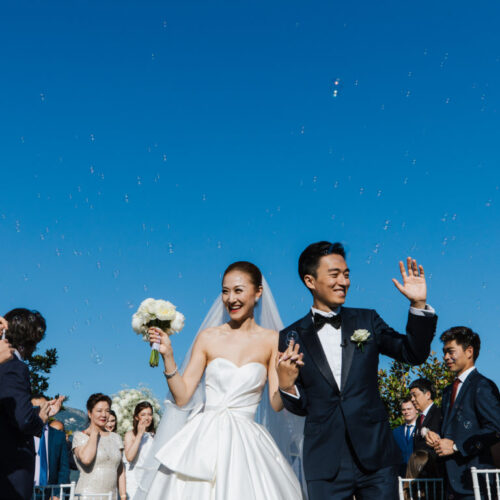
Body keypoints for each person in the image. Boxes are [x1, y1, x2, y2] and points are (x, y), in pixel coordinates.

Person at [277, 242, 438, 500]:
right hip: (325, 462)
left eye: (347, 274)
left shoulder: (367, 320)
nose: (344, 281)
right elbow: (303, 406)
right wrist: (287, 386)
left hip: (376, 457)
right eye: (334, 274)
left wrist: (419, 305)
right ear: (310, 280)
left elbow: (412, 353)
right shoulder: (290, 336)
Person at [137, 261, 303, 499]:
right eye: (225, 291)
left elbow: (276, 404)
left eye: (238, 290)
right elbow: (183, 397)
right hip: (203, 439)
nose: (230, 299)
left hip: (247, 444)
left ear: (258, 292)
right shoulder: (208, 338)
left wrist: (287, 381)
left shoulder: (272, 340)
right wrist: (168, 357)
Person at [425, 327, 500, 499]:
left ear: (469, 352)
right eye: (444, 352)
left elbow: (496, 428)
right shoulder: (447, 391)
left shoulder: (482, 386)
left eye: (450, 352)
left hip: (474, 485)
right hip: (449, 485)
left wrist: (456, 446)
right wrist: (434, 436)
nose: (445, 357)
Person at [0, 308, 64, 500]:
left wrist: (41, 410)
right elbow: (24, 421)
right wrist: (40, 419)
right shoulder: (15, 367)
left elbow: (7, 409)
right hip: (11, 469)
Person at [72, 393, 126, 499]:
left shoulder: (116, 438)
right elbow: (86, 459)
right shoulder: (80, 436)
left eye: (107, 410)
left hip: (111, 495)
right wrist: (95, 433)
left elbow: (120, 470)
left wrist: (123, 496)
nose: (104, 415)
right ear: (89, 413)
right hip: (87, 495)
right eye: (99, 411)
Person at [31, 395, 70, 488]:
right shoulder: (23, 434)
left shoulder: (58, 436)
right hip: (26, 491)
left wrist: (57, 494)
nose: (39, 411)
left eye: (43, 407)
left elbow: (64, 469)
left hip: (51, 492)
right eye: (35, 408)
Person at [123, 402, 155, 498]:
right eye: (143, 414)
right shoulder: (130, 435)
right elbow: (129, 457)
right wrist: (140, 435)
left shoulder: (155, 435)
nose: (147, 418)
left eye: (149, 414)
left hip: (150, 479)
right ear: (137, 417)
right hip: (134, 480)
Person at [409, 378, 442, 461]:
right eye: (411, 396)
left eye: (415, 395)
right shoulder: (419, 419)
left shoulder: (441, 414)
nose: (412, 399)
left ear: (428, 394)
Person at [393, 396, 418, 476]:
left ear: (416, 410)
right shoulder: (395, 432)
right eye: (404, 410)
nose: (406, 412)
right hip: (400, 477)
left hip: (419, 477)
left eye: (409, 409)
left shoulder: (422, 429)